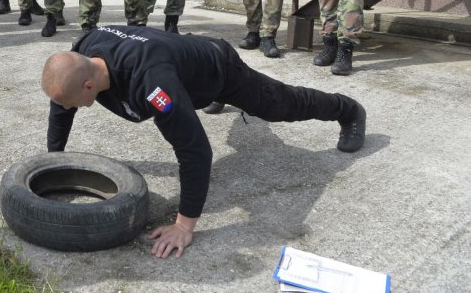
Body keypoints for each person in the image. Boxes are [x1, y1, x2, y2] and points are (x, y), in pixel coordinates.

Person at [41, 25, 367, 258]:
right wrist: (53, 159)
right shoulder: (83, 52)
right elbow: (61, 102)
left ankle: (348, 109)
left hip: (219, 67)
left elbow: (195, 151)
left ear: (88, 85)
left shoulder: (154, 86)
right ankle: (201, 91)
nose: (66, 108)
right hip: (180, 60)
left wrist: (184, 226)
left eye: (71, 102)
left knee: (281, 105)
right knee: (186, 98)